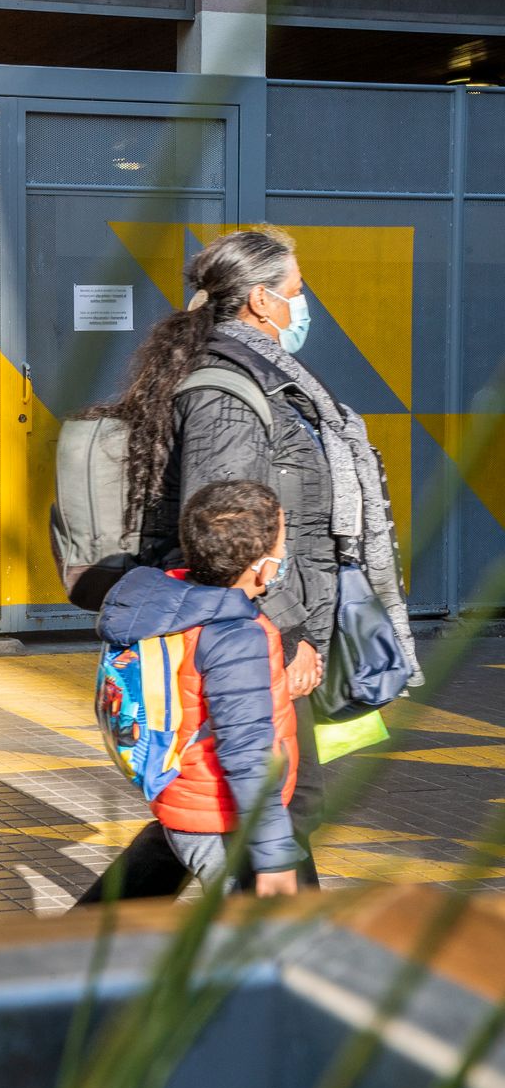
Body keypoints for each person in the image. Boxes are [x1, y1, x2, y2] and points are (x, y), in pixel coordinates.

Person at [76, 225, 421, 903]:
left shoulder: (266, 375)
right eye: (297, 288)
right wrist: (283, 637)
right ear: (262, 300)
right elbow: (227, 526)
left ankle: (81, 938)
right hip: (259, 629)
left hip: (276, 623)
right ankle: (294, 949)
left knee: (222, 801)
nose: (304, 301)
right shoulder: (227, 392)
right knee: (281, 799)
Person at [96, 480, 302, 897]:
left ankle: (75, 948)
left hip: (179, 788)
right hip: (220, 813)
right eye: (281, 545)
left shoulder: (172, 604)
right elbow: (247, 754)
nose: (284, 553)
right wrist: (274, 856)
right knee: (256, 938)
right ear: (262, 567)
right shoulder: (236, 638)